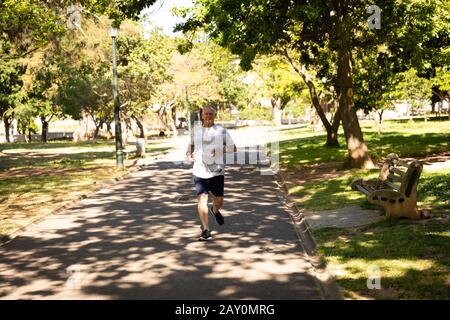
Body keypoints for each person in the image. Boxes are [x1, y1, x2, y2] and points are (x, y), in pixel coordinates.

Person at [186, 105, 236, 241]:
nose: (208, 116)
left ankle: (215, 210)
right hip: (199, 171)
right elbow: (191, 145)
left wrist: (222, 150)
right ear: (202, 115)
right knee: (202, 199)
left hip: (217, 172)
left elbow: (233, 147)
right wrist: (189, 154)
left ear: (215, 116)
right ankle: (206, 230)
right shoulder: (196, 131)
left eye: (211, 114)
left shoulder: (221, 131)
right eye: (206, 114)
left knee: (219, 200)